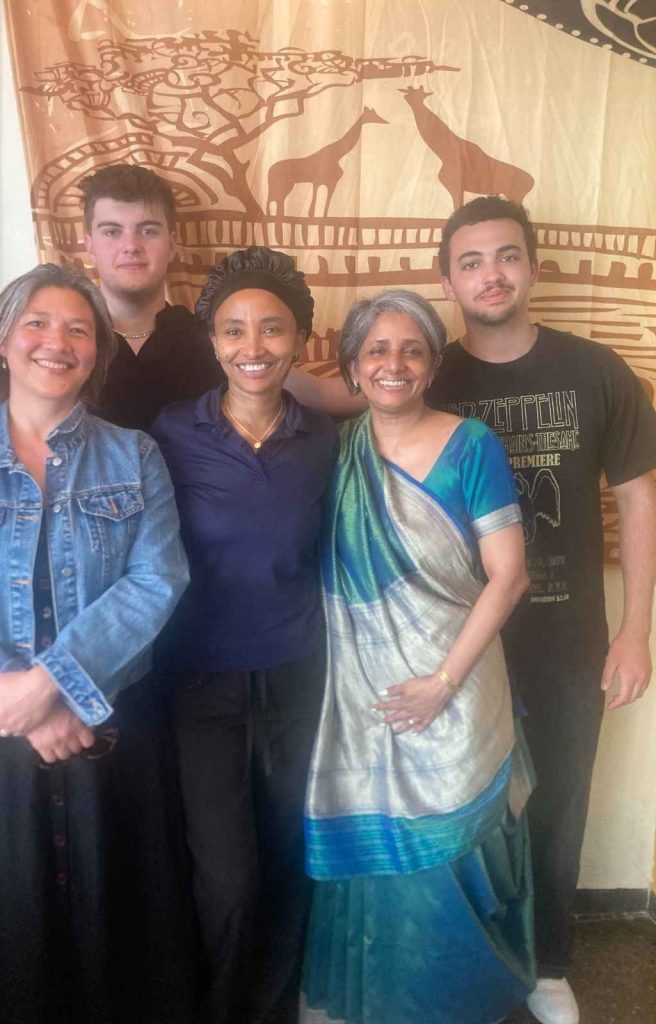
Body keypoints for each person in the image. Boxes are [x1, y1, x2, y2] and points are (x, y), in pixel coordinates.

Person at [0, 264, 194, 1024]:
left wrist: (54, 682)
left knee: (114, 917)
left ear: (96, 353)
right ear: (3, 341)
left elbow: (158, 578)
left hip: (108, 718)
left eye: (78, 329)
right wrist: (19, 703)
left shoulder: (135, 456)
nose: (56, 341)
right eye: (37, 323)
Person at [429, 196, 656, 1024]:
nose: (491, 274)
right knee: (465, 805)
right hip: (457, 639)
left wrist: (635, 631)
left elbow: (638, 499)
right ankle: (471, 959)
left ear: (532, 265)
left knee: (558, 801)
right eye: (471, 261)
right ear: (447, 279)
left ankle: (549, 965)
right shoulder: (429, 376)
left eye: (506, 256)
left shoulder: (597, 371)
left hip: (566, 635)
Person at [302, 289, 535, 1024]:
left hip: (456, 684)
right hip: (363, 695)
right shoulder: (337, 450)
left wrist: (441, 682)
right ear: (352, 367)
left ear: (434, 365)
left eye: (411, 350)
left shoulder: (471, 445)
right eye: (376, 350)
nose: (393, 364)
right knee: (378, 847)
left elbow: (509, 577)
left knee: (453, 847)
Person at [149, 246, 339, 1024]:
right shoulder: (171, 432)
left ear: (299, 340)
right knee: (225, 874)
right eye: (233, 330)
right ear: (212, 341)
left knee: (290, 853)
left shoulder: (324, 438)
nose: (252, 347)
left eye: (271, 329)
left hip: (299, 671)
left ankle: (275, 1009)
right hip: (201, 681)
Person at [79, 163, 361, 428]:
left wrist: (386, 381)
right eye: (112, 231)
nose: (131, 246)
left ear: (172, 243)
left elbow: (321, 394)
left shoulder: (211, 340)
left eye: (148, 230)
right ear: (89, 245)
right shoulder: (66, 342)